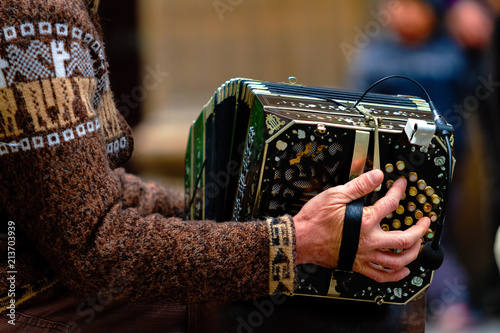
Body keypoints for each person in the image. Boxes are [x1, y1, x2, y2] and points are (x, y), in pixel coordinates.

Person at [0, 0, 430, 331]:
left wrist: (244, 214)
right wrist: (299, 240)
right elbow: (96, 247)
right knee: (374, 310)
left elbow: (98, 191)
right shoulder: (34, 18)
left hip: (49, 281)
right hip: (26, 303)